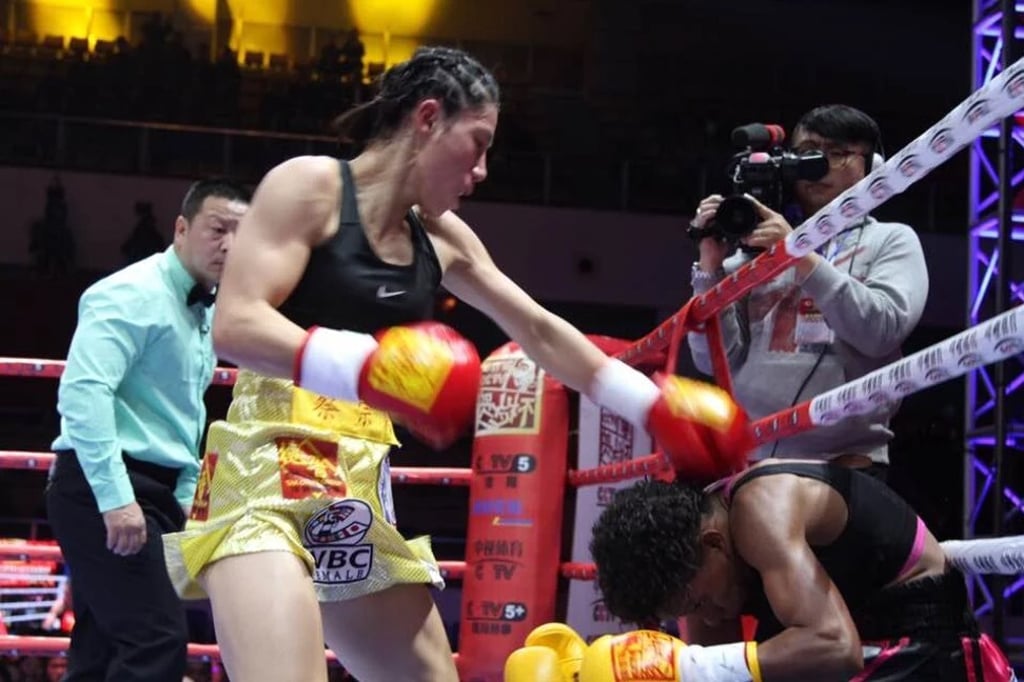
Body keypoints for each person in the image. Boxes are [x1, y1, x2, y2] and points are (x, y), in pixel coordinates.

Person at [161, 45, 749, 682]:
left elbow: (540, 331)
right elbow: (236, 322)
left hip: (355, 490)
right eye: (478, 144)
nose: (483, 170)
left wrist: (650, 403)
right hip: (263, 473)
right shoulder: (311, 187)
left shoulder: (441, 238)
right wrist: (368, 365)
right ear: (428, 119)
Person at [45, 178, 251, 682]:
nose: (229, 245)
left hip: (154, 490)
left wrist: (185, 497)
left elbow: (186, 413)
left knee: (102, 647)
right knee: (155, 639)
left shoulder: (206, 306)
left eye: (241, 234)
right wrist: (115, 499)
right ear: (181, 228)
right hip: (104, 485)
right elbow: (82, 396)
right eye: (217, 228)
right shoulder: (128, 294)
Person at [545, 460, 1012, 681]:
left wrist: (685, 668)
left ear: (712, 544)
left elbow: (835, 649)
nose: (706, 615)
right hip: (851, 639)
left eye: (697, 602)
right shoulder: (701, 557)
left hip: (924, 647)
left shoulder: (760, 510)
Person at [687, 105, 929, 480]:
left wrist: (798, 256)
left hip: (848, 465)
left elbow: (881, 332)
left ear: (872, 165)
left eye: (836, 153)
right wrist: (710, 268)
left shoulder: (891, 240)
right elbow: (712, 360)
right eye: (806, 153)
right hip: (750, 461)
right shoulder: (754, 252)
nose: (818, 165)